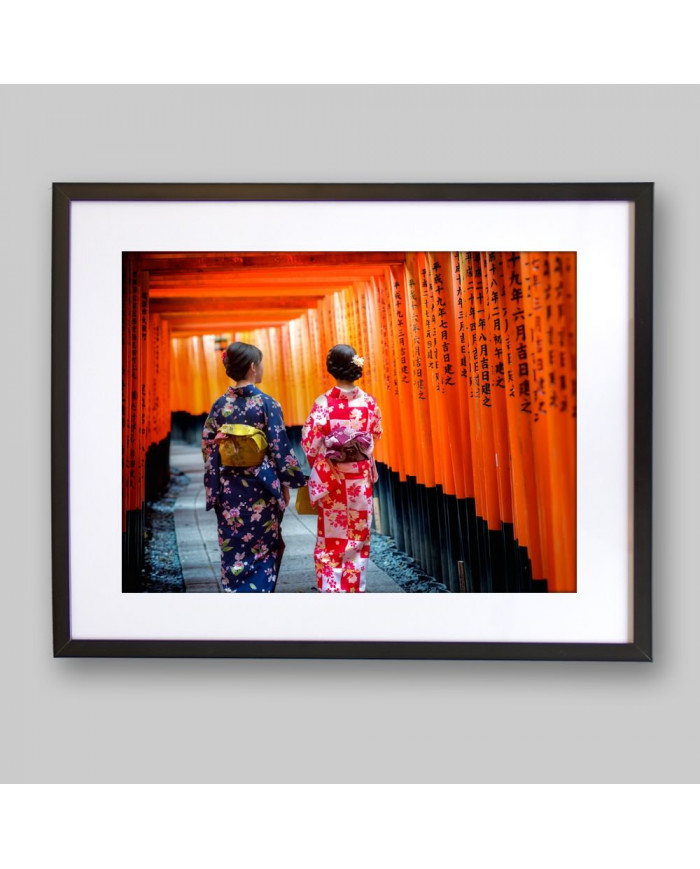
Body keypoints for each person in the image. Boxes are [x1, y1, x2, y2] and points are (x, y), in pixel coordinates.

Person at [202, 341, 306, 592]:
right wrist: (289, 481)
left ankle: (235, 592)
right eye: (259, 364)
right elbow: (279, 446)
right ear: (252, 367)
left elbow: (207, 445)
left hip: (228, 489)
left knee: (233, 545)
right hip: (261, 488)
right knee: (263, 547)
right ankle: (259, 593)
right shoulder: (267, 404)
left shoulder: (220, 405)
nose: (261, 369)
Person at [301, 344, 383, 593]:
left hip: (332, 480)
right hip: (359, 480)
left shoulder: (323, 404)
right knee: (358, 534)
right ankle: (354, 586)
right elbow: (375, 434)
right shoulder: (369, 402)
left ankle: (331, 586)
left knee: (331, 536)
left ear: (331, 369)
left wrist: (322, 464)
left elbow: (310, 444)